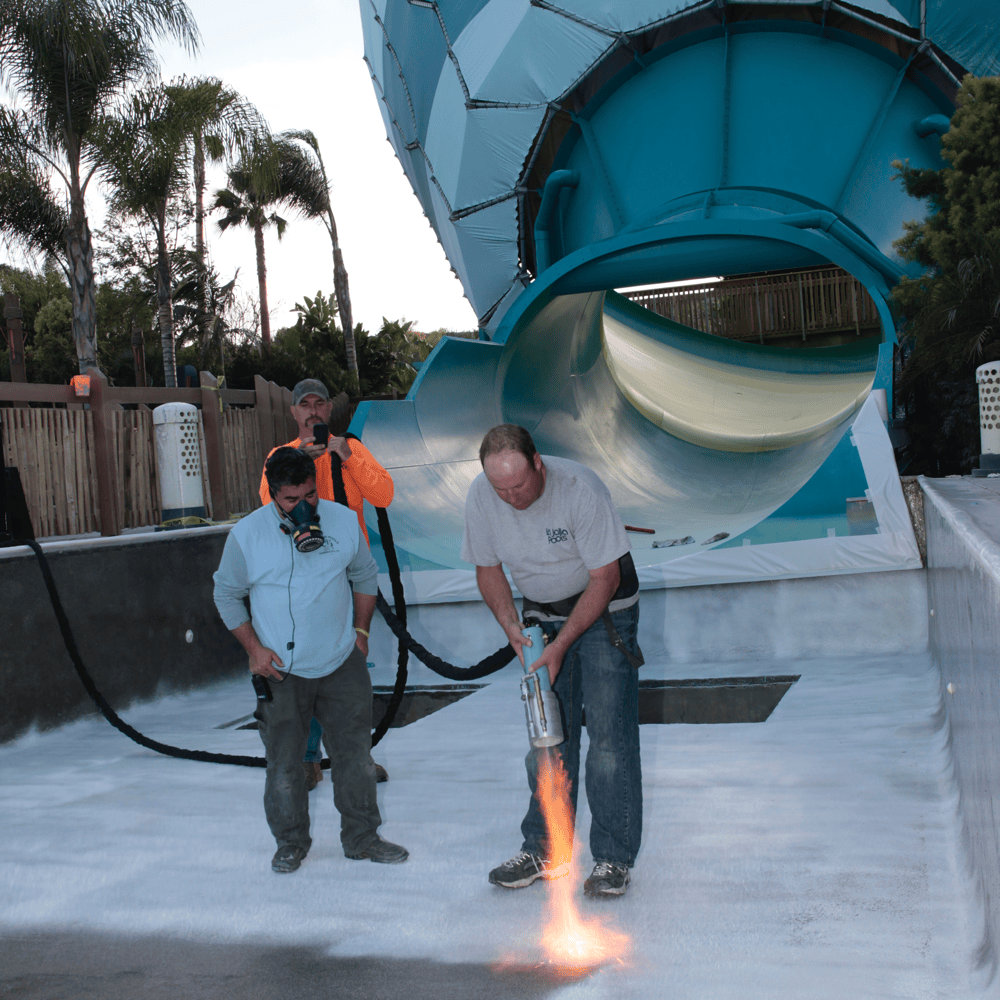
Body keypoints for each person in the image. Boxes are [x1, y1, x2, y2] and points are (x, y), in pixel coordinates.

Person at [461, 425, 642, 898]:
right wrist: (515, 634)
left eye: (518, 485)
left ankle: (612, 859)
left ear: (537, 463)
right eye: (500, 488)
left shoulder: (580, 490)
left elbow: (604, 578)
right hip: (541, 613)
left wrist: (560, 647)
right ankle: (546, 847)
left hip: (604, 610)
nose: (511, 497)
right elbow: (488, 570)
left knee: (608, 738)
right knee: (548, 737)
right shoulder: (483, 497)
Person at [214, 446, 408, 874]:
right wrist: (254, 650)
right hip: (281, 671)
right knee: (285, 764)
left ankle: (363, 838)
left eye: (309, 496)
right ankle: (290, 844)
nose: (303, 507)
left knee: (355, 757)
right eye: (291, 500)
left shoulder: (341, 520)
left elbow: (363, 574)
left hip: (341, 662)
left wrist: (361, 632)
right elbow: (225, 594)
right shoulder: (248, 535)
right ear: (273, 496)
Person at [258, 378, 394, 789]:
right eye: (305, 405)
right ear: (294, 412)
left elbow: (384, 494)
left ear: (328, 410)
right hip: (302, 581)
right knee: (306, 671)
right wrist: (300, 458)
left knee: (352, 670)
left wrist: (348, 457)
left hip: (350, 575)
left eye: (320, 404)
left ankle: (354, 757)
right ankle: (306, 759)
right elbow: (268, 507)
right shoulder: (281, 457)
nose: (313, 411)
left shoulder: (351, 447)